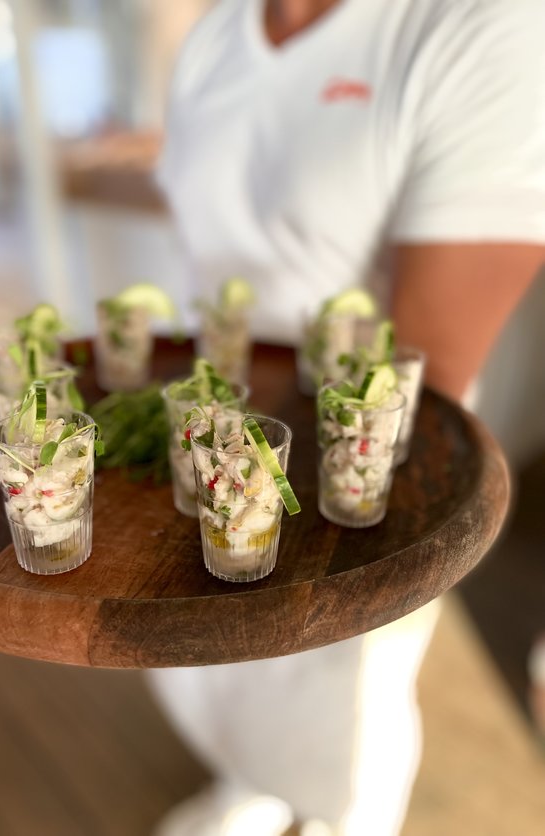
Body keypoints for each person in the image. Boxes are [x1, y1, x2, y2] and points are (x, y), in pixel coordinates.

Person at [147, 1, 545, 834]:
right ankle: (250, 785)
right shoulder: (217, 36)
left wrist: (264, 468)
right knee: (212, 659)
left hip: (362, 451)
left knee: (343, 695)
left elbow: (423, 371)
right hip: (215, 430)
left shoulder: (482, 23)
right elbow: (207, 243)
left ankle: (337, 818)